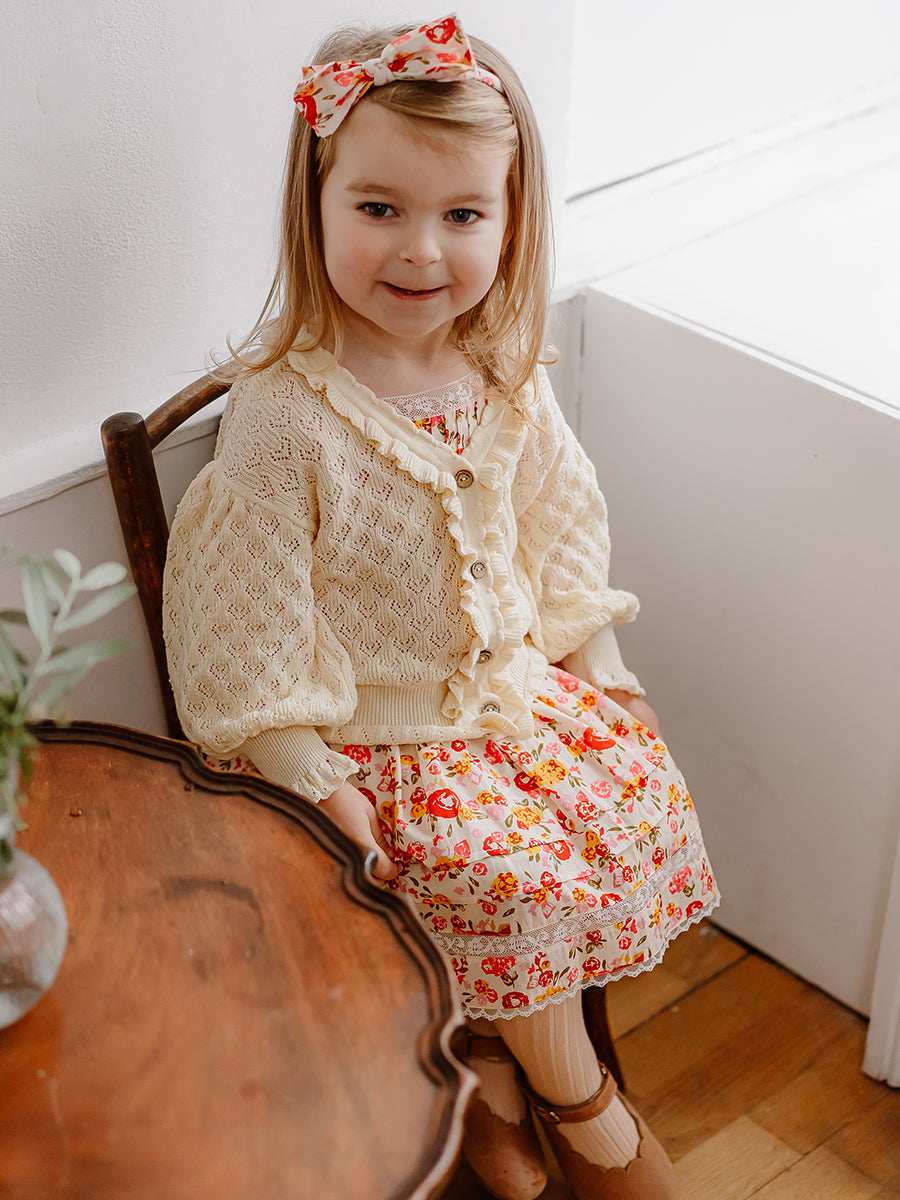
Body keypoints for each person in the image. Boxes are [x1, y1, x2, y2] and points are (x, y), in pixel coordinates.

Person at [163, 15, 718, 1199]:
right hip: (373, 746)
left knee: (620, 805)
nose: (422, 251)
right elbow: (244, 630)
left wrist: (600, 664)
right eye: (379, 207)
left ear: (512, 221)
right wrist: (315, 776)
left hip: (507, 708)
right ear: (315, 207)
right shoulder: (284, 419)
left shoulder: (500, 370)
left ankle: (487, 1065)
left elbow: (558, 529)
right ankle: (583, 1104)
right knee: (508, 878)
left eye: (464, 214)